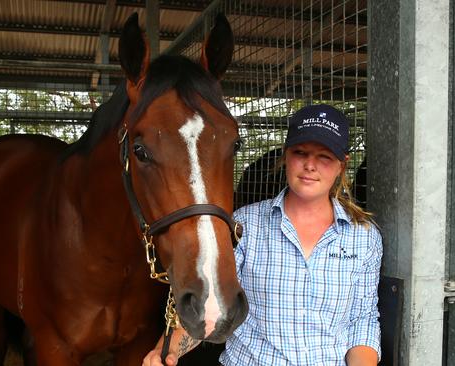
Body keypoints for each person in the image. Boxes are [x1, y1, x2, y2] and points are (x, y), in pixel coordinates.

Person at [143, 104, 382, 366]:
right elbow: (211, 300)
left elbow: (363, 319)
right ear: (286, 156)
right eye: (300, 152)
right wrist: (169, 350)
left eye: (324, 156)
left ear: (341, 165)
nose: (310, 165)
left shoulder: (364, 237)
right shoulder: (244, 225)